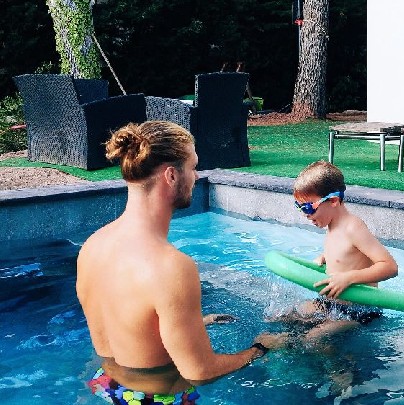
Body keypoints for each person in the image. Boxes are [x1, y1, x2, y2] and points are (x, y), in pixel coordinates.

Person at [76, 121, 283, 405]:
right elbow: (200, 372)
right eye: (193, 167)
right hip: (155, 399)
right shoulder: (170, 266)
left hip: (107, 386)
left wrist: (193, 325)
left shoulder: (93, 245)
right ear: (171, 175)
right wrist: (260, 348)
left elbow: (127, 326)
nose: (196, 177)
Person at [278, 160, 398, 344]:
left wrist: (348, 277)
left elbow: (390, 267)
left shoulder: (353, 228)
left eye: (308, 207)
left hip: (359, 311)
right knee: (284, 316)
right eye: (299, 207)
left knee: (313, 339)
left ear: (333, 201)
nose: (305, 215)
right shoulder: (332, 225)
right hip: (332, 304)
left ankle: (342, 362)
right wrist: (326, 257)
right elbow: (346, 253)